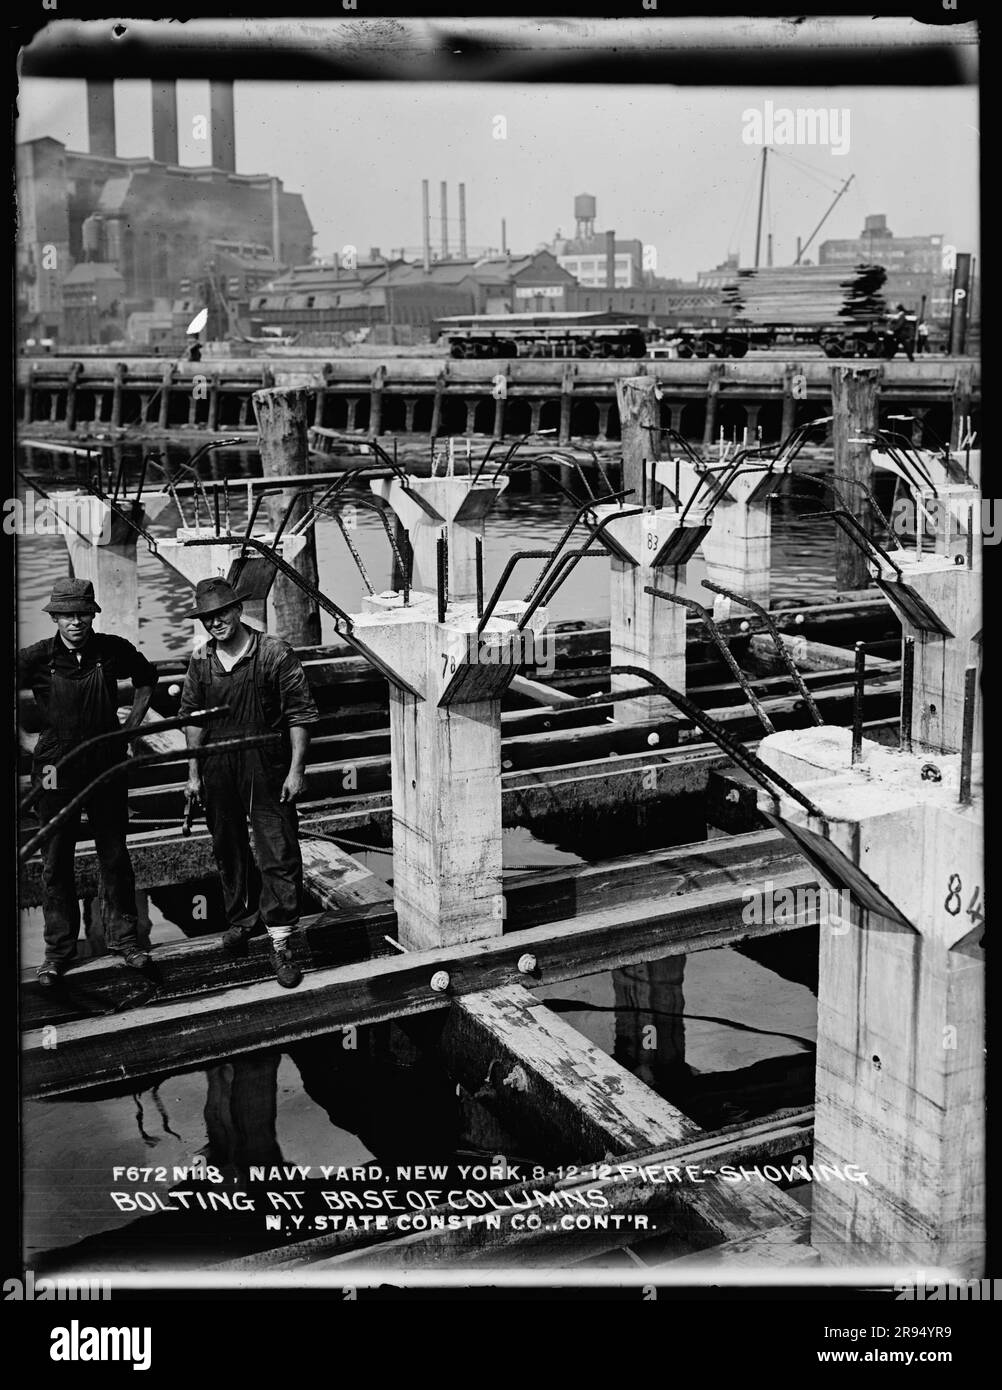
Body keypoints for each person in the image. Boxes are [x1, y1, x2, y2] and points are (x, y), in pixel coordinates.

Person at [178, 578, 320, 989]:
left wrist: (297, 770)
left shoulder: (273, 653)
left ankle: (281, 940)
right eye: (207, 617)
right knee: (228, 847)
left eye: (221, 613)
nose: (215, 623)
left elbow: (300, 715)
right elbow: (192, 719)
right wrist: (193, 774)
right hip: (218, 767)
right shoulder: (201, 659)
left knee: (277, 850)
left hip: (266, 764)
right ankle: (242, 920)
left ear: (239, 611)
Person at [18, 578, 159, 987]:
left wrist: (130, 728)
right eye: (66, 615)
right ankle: (58, 953)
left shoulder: (113, 650)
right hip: (52, 768)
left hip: (105, 762)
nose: (75, 621)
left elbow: (146, 679)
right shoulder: (36, 657)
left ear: (92, 614)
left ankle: (125, 941)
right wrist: (26, 741)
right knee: (54, 859)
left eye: (81, 613)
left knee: (114, 854)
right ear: (55, 618)